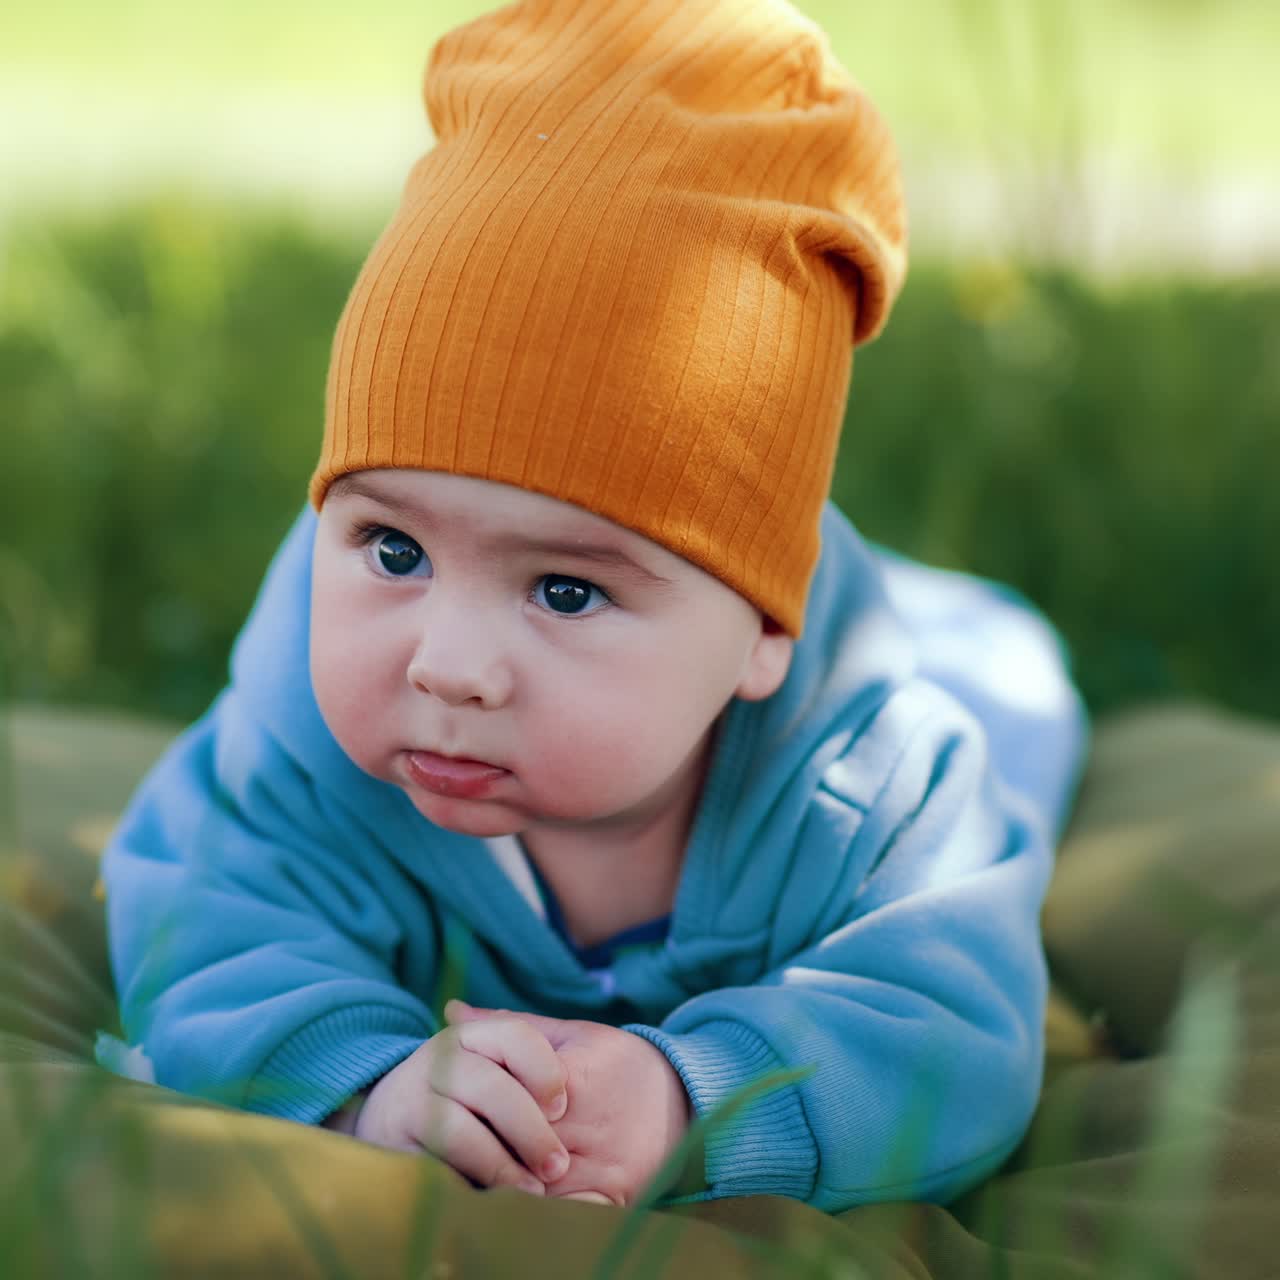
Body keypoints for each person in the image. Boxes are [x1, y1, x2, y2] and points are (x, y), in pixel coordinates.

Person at [96, 0, 1089, 1212]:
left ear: (764, 631)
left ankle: (959, 628)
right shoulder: (305, 731)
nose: (448, 664)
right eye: (391, 545)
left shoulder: (866, 777)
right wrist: (365, 1083)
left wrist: (700, 1095)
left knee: (1015, 709)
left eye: (565, 588)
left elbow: (951, 1020)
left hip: (911, 674)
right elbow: (202, 916)